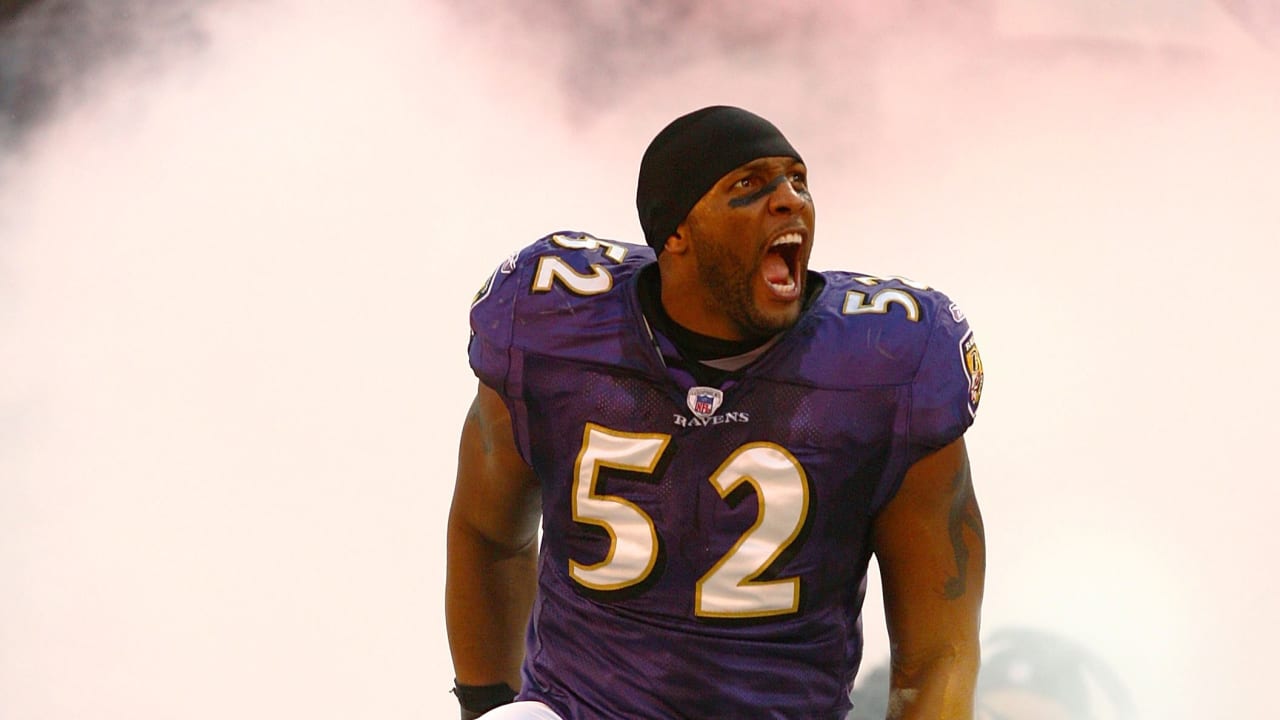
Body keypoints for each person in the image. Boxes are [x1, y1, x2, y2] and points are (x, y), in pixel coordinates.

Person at [446, 105, 986, 719]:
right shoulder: (556, 325)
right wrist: (485, 705)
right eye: (749, 186)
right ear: (675, 231)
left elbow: (939, 648)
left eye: (797, 181)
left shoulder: (890, 360)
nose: (789, 200)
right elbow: (489, 534)